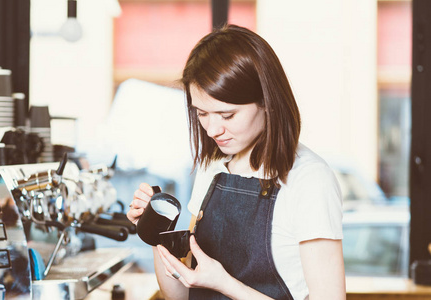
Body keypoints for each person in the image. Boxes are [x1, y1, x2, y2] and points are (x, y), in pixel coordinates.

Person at [127, 24, 346, 300]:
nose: (212, 129)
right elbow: (180, 295)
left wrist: (225, 283)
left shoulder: (310, 180)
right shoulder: (213, 168)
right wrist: (155, 233)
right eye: (202, 114)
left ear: (266, 102)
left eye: (227, 115)